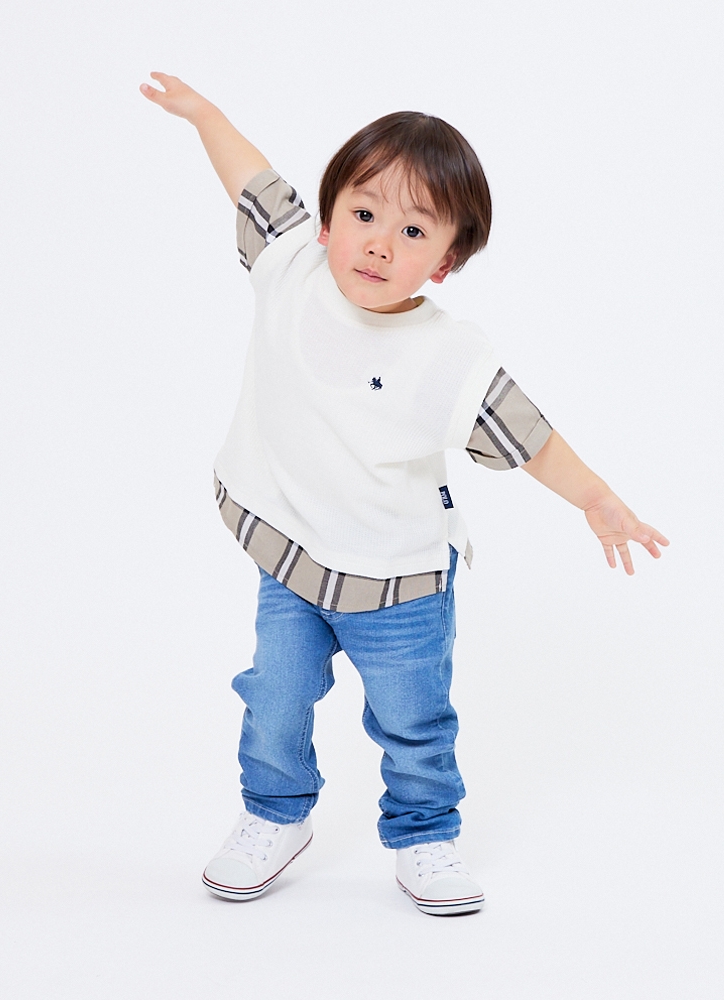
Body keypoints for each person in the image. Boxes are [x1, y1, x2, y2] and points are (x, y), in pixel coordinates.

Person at [139, 72, 668, 916]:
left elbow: (528, 434)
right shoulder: (290, 267)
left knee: (413, 719)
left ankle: (424, 833)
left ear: (446, 262)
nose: (380, 244)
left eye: (413, 230)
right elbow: (250, 183)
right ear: (327, 219)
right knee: (274, 696)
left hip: (399, 580)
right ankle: (274, 813)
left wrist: (596, 498)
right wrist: (206, 115)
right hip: (292, 558)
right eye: (364, 213)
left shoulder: (446, 354)